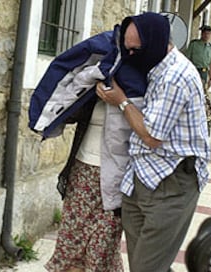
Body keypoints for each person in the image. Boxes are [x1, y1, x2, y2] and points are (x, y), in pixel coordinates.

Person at [28, 20, 148, 271]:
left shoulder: (142, 88)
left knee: (101, 250)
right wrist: (88, 89)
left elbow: (147, 132)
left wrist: (121, 101)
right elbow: (68, 111)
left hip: (114, 181)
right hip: (83, 173)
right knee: (71, 245)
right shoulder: (98, 85)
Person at [96, 12, 211, 272]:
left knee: (147, 268)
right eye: (127, 49)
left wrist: (121, 100)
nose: (131, 55)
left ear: (157, 44)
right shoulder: (155, 68)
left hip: (171, 183)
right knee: (144, 265)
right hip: (141, 179)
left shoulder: (175, 77)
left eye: (137, 50)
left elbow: (151, 136)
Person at [185, 25, 211, 92]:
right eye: (205, 33)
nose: (207, 36)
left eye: (209, 34)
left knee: (201, 90)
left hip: (204, 72)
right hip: (194, 70)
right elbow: (187, 59)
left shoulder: (210, 48)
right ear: (202, 34)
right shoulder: (194, 44)